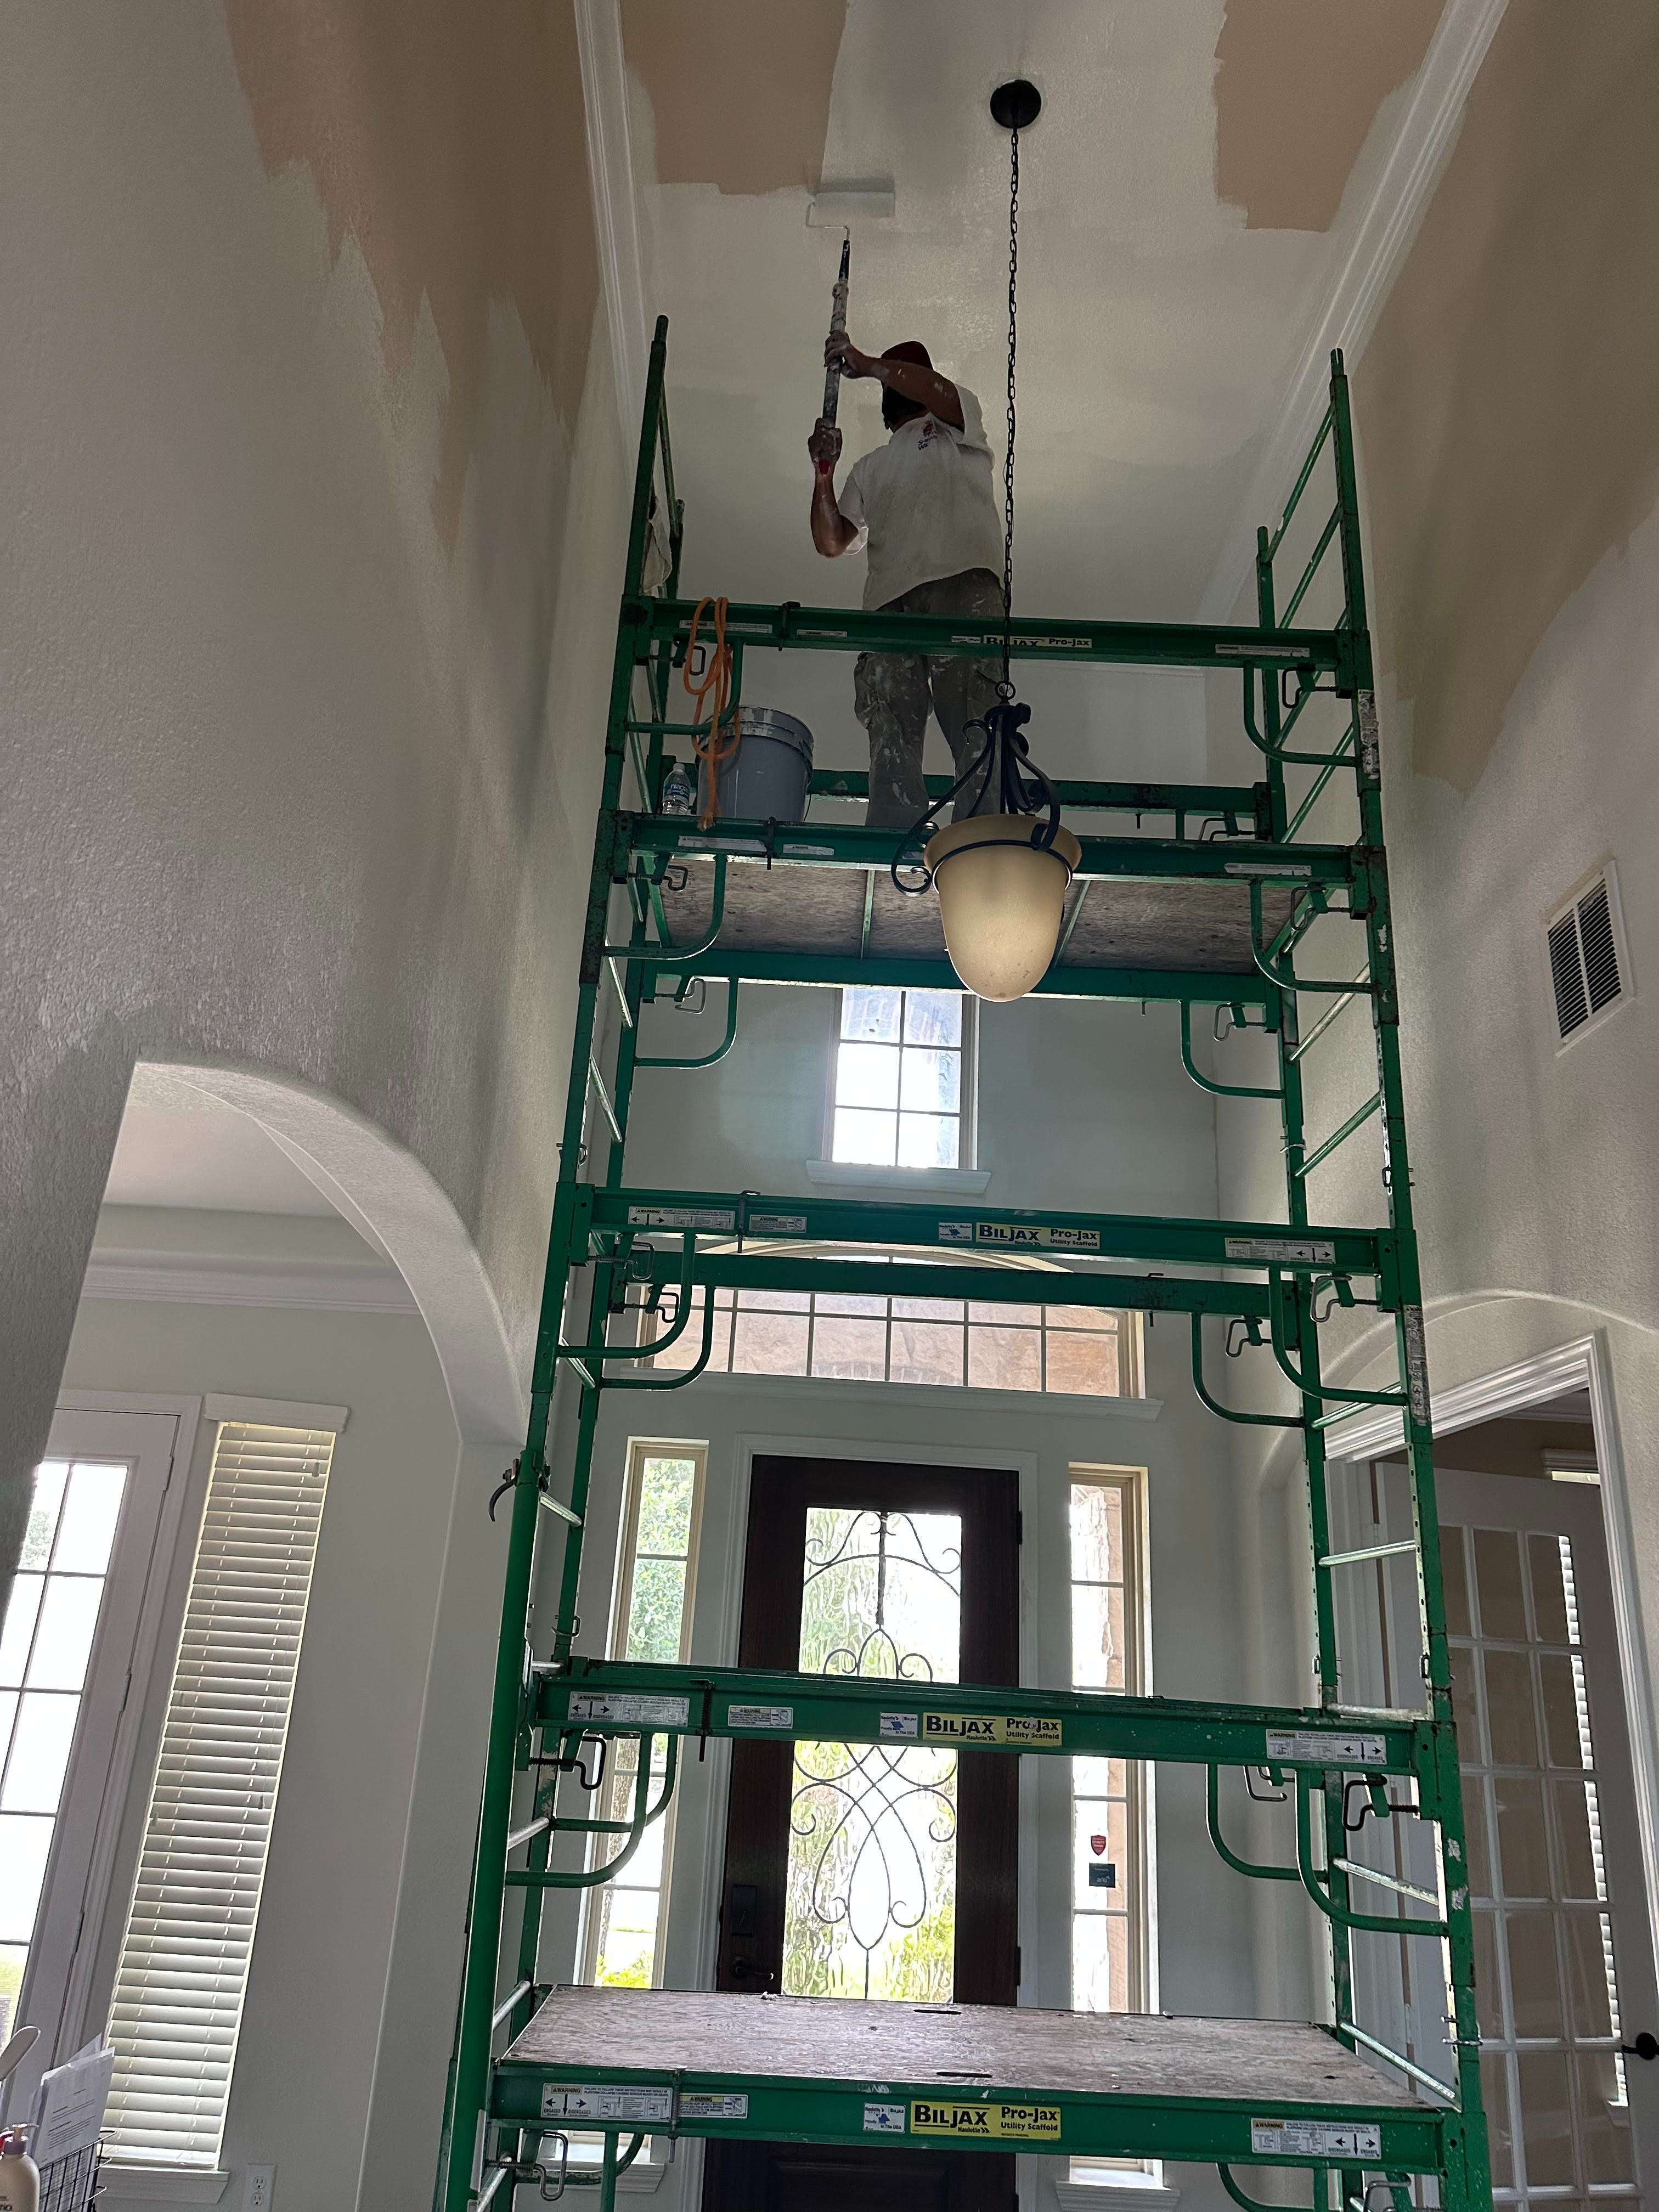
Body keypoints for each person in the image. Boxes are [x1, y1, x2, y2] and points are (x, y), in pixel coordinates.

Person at [808, 335, 1006, 830]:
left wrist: (873, 365)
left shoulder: (959, 423)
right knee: (891, 728)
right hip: (889, 608)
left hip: (963, 586)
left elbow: (936, 391)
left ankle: (981, 836)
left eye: (905, 372)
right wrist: (823, 475)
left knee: (977, 722)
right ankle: (894, 834)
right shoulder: (871, 468)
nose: (897, 381)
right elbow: (833, 541)